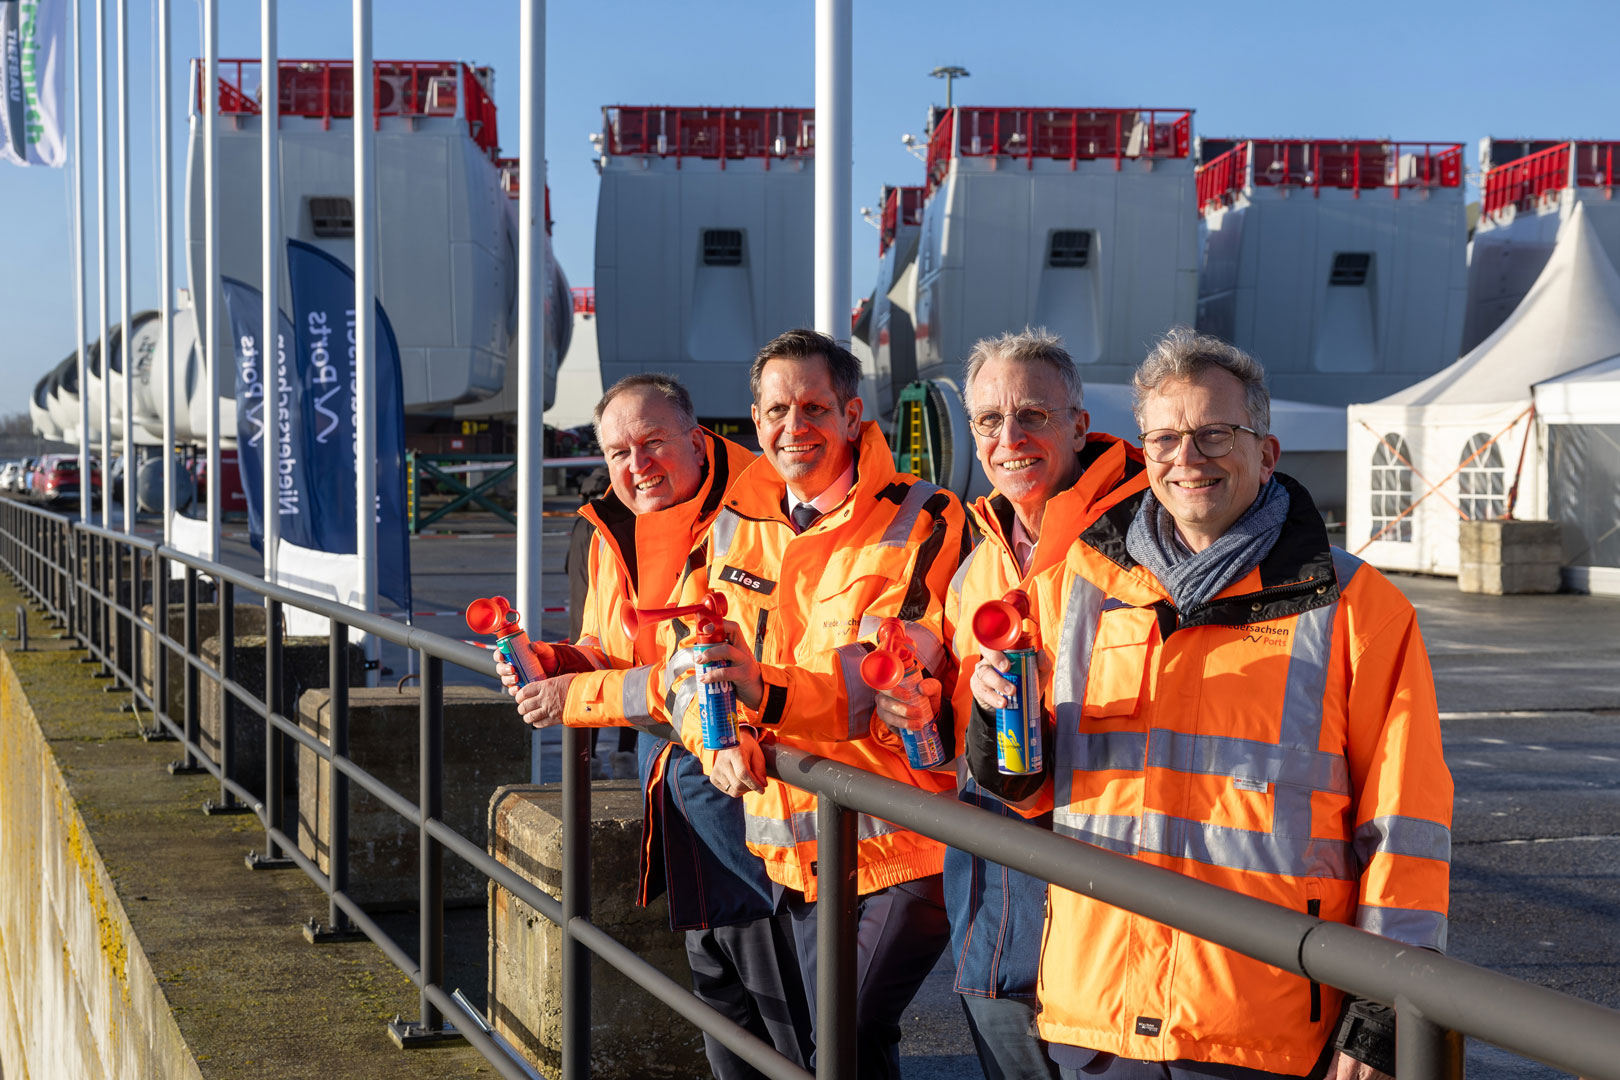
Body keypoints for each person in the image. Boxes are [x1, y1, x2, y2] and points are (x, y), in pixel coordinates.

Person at [966, 328, 1453, 1080]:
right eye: (1164, 438)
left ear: (1267, 452)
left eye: (1213, 434)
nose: (1186, 459)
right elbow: (1029, 795)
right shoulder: (1077, 591)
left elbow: (1407, 830)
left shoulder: (1360, 611)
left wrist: (1387, 1013)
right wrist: (994, 721)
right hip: (1097, 1015)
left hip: (1262, 1026)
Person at [661, 328, 969, 1079]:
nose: (792, 428)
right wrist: (716, 733)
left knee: (837, 1039)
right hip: (792, 845)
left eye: (813, 408)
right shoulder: (734, 520)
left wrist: (763, 693)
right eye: (775, 410)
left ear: (853, 413)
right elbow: (676, 655)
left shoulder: (923, 517)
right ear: (754, 418)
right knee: (847, 1052)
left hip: (900, 843)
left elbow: (896, 661)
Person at [500, 373, 813, 1080]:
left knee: (789, 1003)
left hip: (760, 789)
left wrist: (575, 696)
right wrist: (549, 662)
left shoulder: (767, 508)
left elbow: (703, 679)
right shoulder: (601, 526)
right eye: (616, 452)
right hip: (671, 785)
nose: (635, 465)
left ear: (698, 442)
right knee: (720, 990)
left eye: (652, 444)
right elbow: (609, 649)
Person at [876, 329, 1148, 1080]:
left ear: (1079, 425)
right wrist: (923, 711)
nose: (1010, 437)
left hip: (1106, 891)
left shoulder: (1148, 538)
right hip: (994, 892)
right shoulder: (978, 559)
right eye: (989, 421)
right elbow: (963, 721)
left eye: (1032, 414)